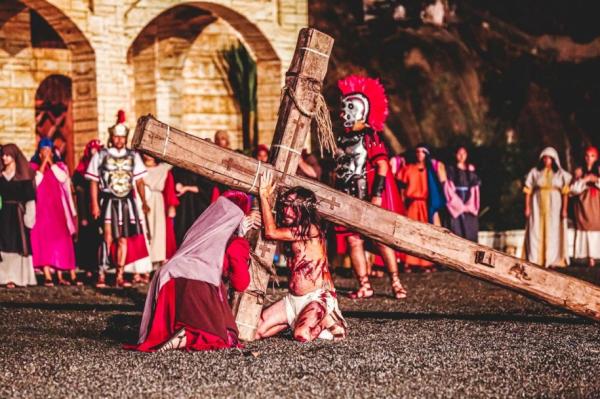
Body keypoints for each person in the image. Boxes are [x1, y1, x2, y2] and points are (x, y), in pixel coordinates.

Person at [129, 191, 254, 352]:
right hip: (198, 284)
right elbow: (241, 284)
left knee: (184, 321)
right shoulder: (235, 244)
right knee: (224, 337)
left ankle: (175, 333)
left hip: (169, 278)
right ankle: (187, 336)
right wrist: (241, 238)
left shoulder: (202, 231)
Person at [333, 75, 407, 299]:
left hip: (368, 194)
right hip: (349, 195)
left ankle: (396, 282)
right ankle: (364, 285)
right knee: (353, 240)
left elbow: (382, 166)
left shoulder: (370, 136)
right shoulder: (342, 140)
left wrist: (377, 196)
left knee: (380, 239)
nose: (343, 114)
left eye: (348, 109)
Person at [255, 170, 348, 342]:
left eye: (293, 206)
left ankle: (331, 320)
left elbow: (270, 232)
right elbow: (271, 229)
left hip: (316, 298)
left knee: (302, 335)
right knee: (256, 331)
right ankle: (300, 321)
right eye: (286, 205)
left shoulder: (311, 229)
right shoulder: (292, 230)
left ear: (303, 209)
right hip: (292, 300)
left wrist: (263, 197)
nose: (287, 211)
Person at [86, 110, 149, 287]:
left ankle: (119, 274)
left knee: (123, 238)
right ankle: (102, 273)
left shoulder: (133, 156)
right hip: (108, 201)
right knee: (107, 237)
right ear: (112, 137)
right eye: (116, 137)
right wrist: (94, 204)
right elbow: (93, 181)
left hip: (127, 202)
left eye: (122, 137)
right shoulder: (101, 155)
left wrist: (143, 202)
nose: (119, 140)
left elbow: (140, 181)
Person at [30, 138, 79, 286]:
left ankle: (64, 274)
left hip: (57, 210)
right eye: (43, 151)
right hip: (41, 211)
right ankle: (47, 275)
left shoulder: (60, 167)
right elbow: (36, 182)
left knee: (61, 242)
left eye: (48, 151)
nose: (46, 154)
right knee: (43, 242)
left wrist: (51, 164)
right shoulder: (33, 167)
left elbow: (63, 179)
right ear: (39, 153)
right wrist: (43, 164)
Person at [397, 144, 446, 272]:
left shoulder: (431, 172)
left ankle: (426, 263)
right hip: (412, 205)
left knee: (426, 234)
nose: (419, 154)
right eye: (417, 152)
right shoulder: (407, 169)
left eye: (422, 152)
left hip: (426, 205)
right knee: (410, 232)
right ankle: (409, 262)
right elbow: (402, 188)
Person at [523, 147, 572, 268]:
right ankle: (535, 259)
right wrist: (527, 207)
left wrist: (565, 209)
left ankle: (551, 260)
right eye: (544, 157)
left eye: (549, 158)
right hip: (537, 205)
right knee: (535, 230)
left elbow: (565, 192)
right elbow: (528, 190)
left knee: (553, 231)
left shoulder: (560, 174)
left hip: (554, 205)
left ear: (554, 159)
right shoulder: (535, 172)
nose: (546, 160)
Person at [0, 144, 37, 288]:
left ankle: (17, 277)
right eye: (3, 154)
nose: (4, 157)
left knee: (17, 244)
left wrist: (30, 217)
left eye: (7, 155)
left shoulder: (24, 177)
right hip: (3, 214)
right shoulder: (1, 177)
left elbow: (30, 199)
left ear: (14, 156)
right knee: (3, 243)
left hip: (18, 214)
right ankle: (4, 277)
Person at [72, 139, 103, 281]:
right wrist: (83, 216)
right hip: (87, 210)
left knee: (100, 239)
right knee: (88, 239)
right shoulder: (81, 171)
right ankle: (89, 267)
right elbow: (80, 193)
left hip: (102, 207)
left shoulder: (104, 166)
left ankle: (100, 266)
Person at [141, 154, 178, 268]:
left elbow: (169, 187)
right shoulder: (139, 168)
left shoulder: (164, 169)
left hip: (158, 202)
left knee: (159, 232)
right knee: (145, 231)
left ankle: (158, 261)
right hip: (142, 201)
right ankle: (145, 264)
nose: (148, 156)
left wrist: (171, 205)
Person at [570, 146, 600, 267]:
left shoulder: (598, 170)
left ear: (596, 157)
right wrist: (584, 180)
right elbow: (572, 189)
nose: (589, 159)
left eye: (592, 156)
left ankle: (594, 256)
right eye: (587, 156)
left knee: (596, 226)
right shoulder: (579, 171)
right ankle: (588, 257)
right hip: (584, 203)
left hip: (596, 203)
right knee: (585, 226)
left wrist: (595, 179)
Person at [444, 146, 480, 242]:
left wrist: (469, 206)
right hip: (456, 201)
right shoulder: (451, 170)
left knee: (470, 231)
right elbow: (448, 188)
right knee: (456, 230)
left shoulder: (471, 169)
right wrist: (458, 205)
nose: (461, 156)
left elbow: (474, 189)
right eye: (459, 153)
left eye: (464, 153)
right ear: (455, 155)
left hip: (469, 202)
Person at [172, 167, 211, 246]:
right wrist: (177, 184)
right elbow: (173, 178)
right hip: (182, 206)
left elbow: (206, 189)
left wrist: (187, 188)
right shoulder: (178, 167)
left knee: (195, 231)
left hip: (197, 205)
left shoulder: (202, 168)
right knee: (181, 230)